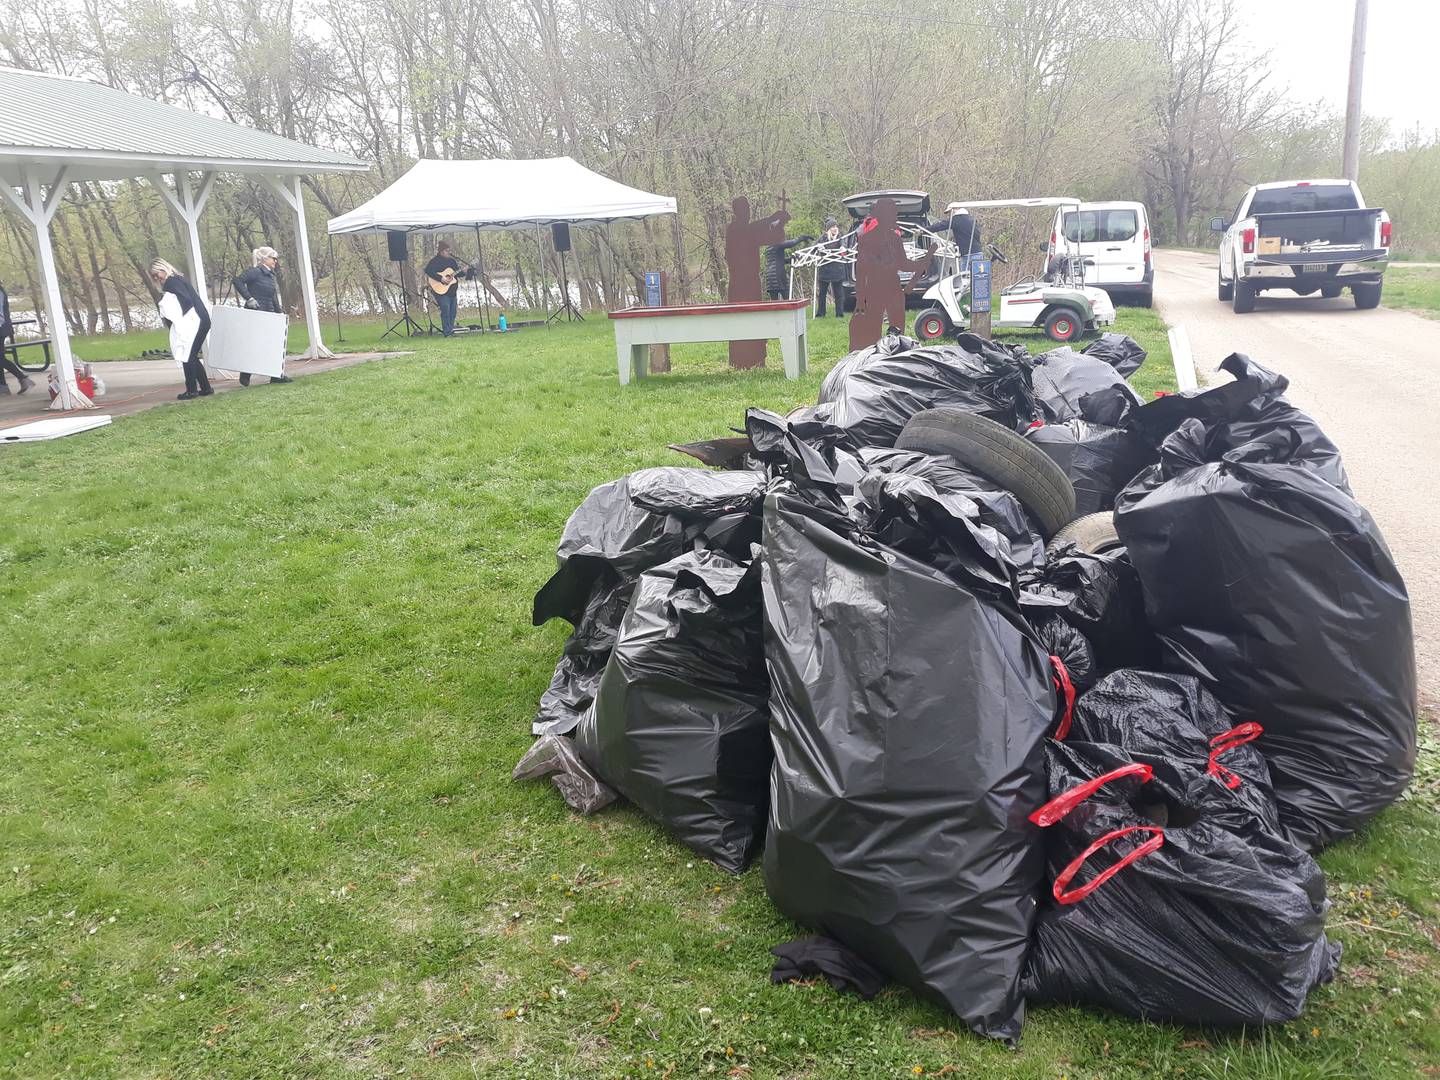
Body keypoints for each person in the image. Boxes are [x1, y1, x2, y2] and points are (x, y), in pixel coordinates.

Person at [149, 259, 213, 400]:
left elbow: (185, 301)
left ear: (163, 268)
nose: (157, 278)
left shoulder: (171, 282)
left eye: (157, 274)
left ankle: (191, 390)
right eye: (154, 277)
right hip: (202, 319)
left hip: (197, 320)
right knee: (192, 355)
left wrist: (179, 320)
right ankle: (206, 388)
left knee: (187, 355)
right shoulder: (177, 279)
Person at [231, 246, 292, 386]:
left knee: (273, 344)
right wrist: (249, 298)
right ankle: (245, 373)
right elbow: (237, 281)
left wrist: (279, 312)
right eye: (273, 258)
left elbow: (272, 297)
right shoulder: (255, 272)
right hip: (256, 313)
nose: (275, 261)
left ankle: (276, 375)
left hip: (268, 312)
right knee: (255, 344)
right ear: (265, 259)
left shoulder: (270, 275)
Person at [423, 241, 472, 336]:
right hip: (440, 291)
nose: (449, 252)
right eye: (447, 251)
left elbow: (457, 273)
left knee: (453, 311)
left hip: (452, 291)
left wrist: (464, 271)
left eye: (449, 250)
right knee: (445, 309)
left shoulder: (452, 261)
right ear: (441, 251)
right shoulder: (434, 261)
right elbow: (428, 270)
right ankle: (447, 332)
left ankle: (450, 330)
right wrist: (441, 278)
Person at [0, 279, 36, 395]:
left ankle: (23, 379)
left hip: (1, 327)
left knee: (0, 358)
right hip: (3, 327)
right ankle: (3, 386)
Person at [815, 217, 848, 318]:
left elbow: (844, 245)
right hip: (825, 269)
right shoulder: (823, 238)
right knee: (822, 294)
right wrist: (819, 247)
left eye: (836, 226)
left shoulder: (840, 237)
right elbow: (815, 247)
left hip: (837, 269)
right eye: (833, 227)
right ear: (829, 228)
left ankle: (839, 314)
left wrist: (843, 248)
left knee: (839, 294)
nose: (835, 228)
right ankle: (821, 314)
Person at [764, 233, 811, 300]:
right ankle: (788, 311)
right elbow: (790, 243)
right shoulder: (776, 243)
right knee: (787, 299)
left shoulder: (769, 247)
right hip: (778, 276)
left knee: (774, 304)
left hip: (770, 278)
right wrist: (801, 238)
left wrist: (789, 259)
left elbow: (778, 260)